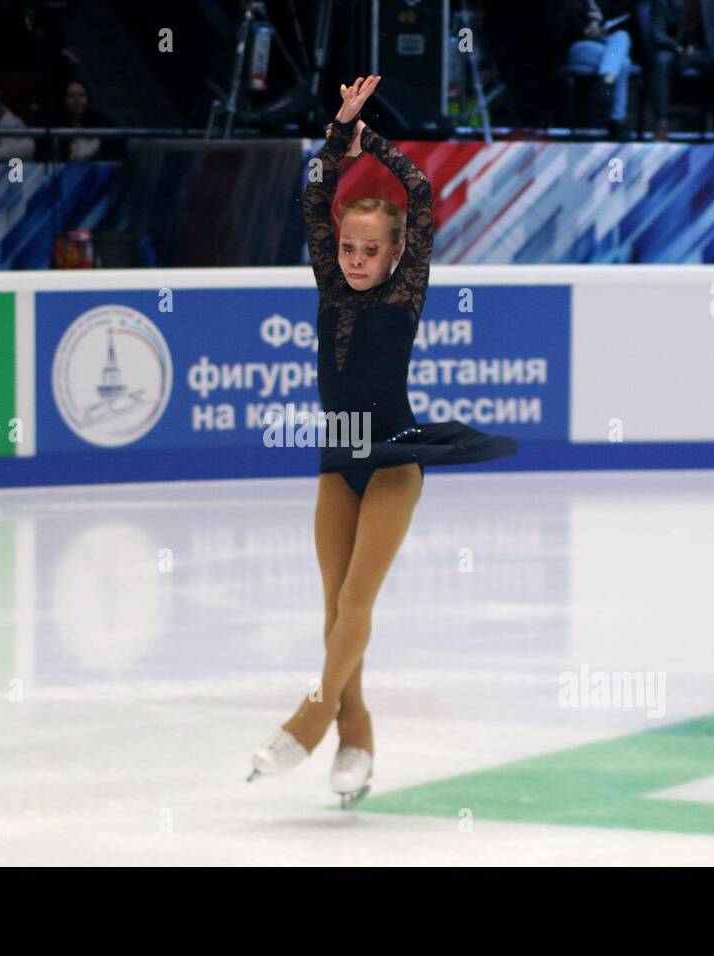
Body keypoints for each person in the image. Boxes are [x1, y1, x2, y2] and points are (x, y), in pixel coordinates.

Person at [247, 75, 518, 806]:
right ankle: (357, 733)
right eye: (348, 247)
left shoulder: (405, 293)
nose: (357, 259)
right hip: (338, 460)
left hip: (396, 459)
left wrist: (382, 150)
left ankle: (312, 719)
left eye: (371, 249)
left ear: (396, 255)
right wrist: (339, 137)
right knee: (334, 609)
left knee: (358, 602)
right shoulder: (329, 287)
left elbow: (422, 198)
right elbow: (312, 194)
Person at [648, 0, 714, 142]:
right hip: (677, 50)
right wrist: (675, 46)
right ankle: (661, 124)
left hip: (709, 51)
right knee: (661, 60)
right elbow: (656, 32)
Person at [563, 0, 632, 137]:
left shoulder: (603, 3)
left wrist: (603, 31)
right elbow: (561, 30)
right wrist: (586, 31)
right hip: (580, 45)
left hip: (604, 46)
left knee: (622, 36)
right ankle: (617, 118)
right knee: (623, 63)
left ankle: (607, 79)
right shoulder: (570, 4)